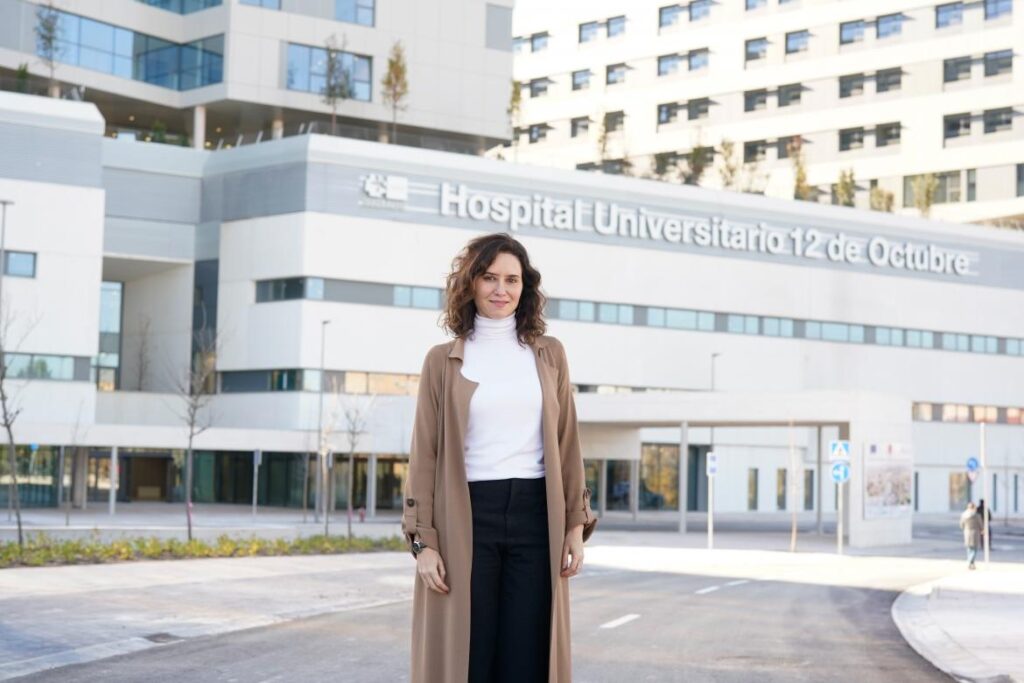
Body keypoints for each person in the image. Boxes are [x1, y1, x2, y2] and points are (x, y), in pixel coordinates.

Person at [402, 232, 597, 683]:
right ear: (470, 284)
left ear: (525, 288)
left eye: (512, 279)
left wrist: (574, 524)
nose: (501, 289)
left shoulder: (548, 354)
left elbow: (568, 442)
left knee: (527, 653)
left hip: (535, 516)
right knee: (470, 652)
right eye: (489, 277)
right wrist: (422, 542)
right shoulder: (442, 360)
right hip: (467, 517)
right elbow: (424, 454)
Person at [959, 501, 982, 570]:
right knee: (974, 548)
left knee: (969, 548)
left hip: (967, 532)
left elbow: (961, 524)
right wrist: (982, 529)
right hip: (975, 532)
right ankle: (971, 561)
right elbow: (980, 524)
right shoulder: (977, 515)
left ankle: (970, 562)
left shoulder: (964, 515)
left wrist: (964, 529)